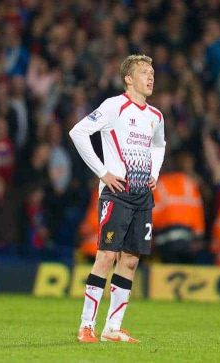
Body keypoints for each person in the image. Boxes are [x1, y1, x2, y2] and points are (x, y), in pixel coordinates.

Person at [69, 54, 165, 343]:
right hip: (117, 194)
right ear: (128, 78)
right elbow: (78, 132)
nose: (150, 77)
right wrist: (102, 172)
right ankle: (86, 325)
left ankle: (113, 327)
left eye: (152, 72)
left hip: (142, 196)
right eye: (144, 72)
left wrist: (155, 173)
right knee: (107, 255)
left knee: (131, 261)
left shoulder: (156, 116)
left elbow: (160, 145)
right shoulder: (114, 106)